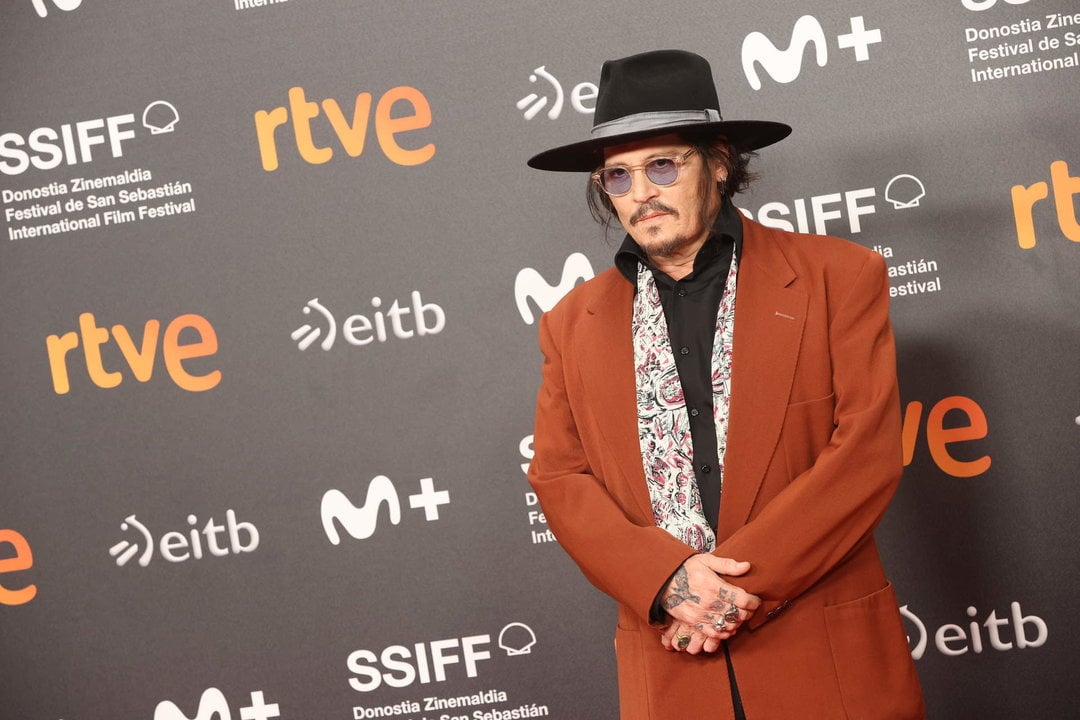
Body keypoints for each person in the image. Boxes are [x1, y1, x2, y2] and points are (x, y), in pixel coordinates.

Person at [525, 50, 925, 720]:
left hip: (825, 664)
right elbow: (560, 478)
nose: (640, 193)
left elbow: (865, 454)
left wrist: (729, 593)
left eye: (661, 165)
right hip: (673, 670)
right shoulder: (571, 324)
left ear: (718, 162)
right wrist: (667, 580)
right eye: (617, 177)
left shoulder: (839, 277)